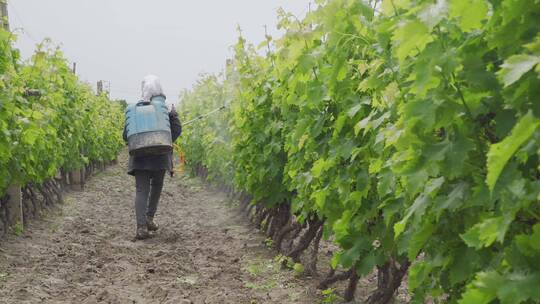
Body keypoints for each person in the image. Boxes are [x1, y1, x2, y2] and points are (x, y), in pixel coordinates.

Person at [123, 75, 182, 240]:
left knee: (141, 190)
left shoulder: (135, 109)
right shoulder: (167, 109)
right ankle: (149, 218)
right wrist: (163, 140)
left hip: (140, 158)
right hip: (160, 157)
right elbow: (177, 129)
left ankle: (141, 227)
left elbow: (125, 135)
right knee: (156, 188)